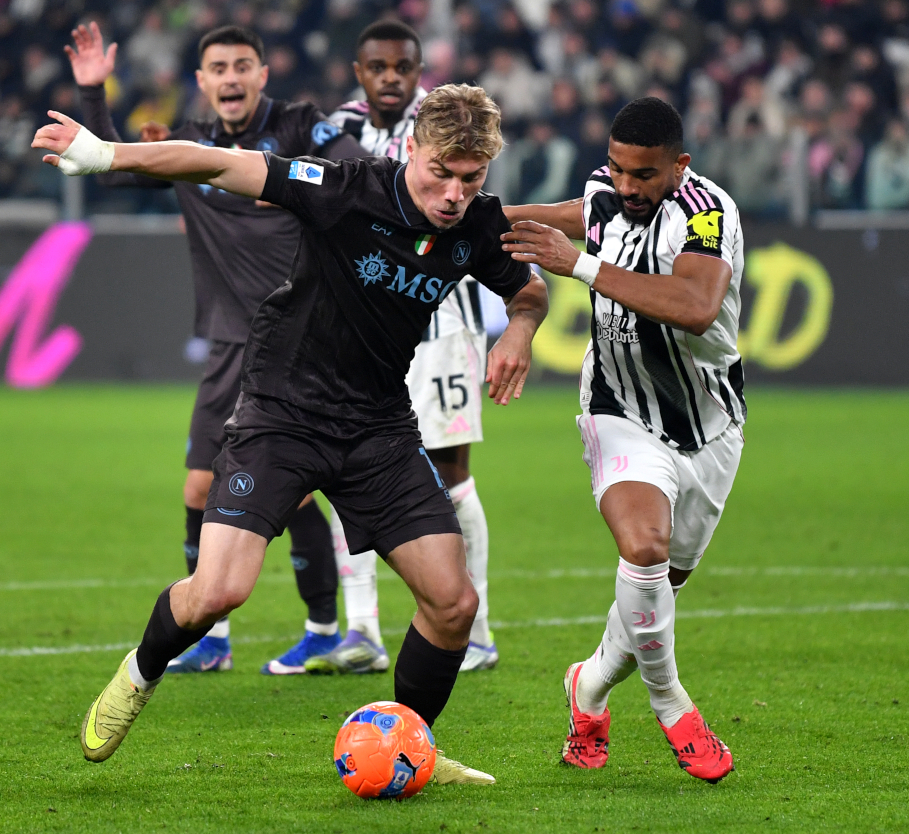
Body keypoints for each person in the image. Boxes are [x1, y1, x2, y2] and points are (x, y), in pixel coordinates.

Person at [32, 83, 549, 783]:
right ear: (413, 151)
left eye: (472, 178)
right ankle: (140, 671)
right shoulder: (342, 189)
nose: (455, 193)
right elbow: (216, 162)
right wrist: (103, 153)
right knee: (218, 592)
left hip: (377, 428)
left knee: (454, 603)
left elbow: (529, 288)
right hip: (282, 413)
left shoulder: (479, 225)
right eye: (442, 172)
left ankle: (409, 744)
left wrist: (518, 330)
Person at [64, 22, 367, 675]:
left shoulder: (299, 128)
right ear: (201, 83)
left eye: (242, 65)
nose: (230, 77)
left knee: (296, 491)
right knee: (200, 486)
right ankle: (211, 634)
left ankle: (321, 628)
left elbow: (357, 172)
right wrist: (94, 95)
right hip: (231, 346)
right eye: (218, 68)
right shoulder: (191, 146)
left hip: (299, 345)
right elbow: (112, 169)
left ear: (263, 73)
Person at [502, 97, 743, 782]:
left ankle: (589, 686)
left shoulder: (706, 213)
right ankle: (672, 704)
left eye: (643, 174)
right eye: (618, 169)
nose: (627, 186)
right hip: (618, 407)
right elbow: (574, 216)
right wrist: (495, 214)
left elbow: (697, 308)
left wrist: (576, 265)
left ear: (680, 166)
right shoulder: (610, 195)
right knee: (643, 547)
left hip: (710, 423)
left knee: (658, 588)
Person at [290, 19, 499, 677]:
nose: (390, 78)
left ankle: (478, 626)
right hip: (362, 327)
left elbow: (478, 210)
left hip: (444, 325)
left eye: (402, 67)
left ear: (417, 72)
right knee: (341, 473)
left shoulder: (446, 125)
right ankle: (361, 629)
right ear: (359, 71)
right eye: (378, 67)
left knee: (451, 472)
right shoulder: (333, 129)